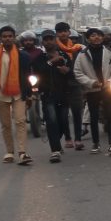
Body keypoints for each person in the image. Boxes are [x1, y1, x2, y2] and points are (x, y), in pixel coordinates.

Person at [0, 26, 33, 165]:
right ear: (0, 39)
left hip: (19, 94)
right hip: (0, 94)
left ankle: (22, 152)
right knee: (6, 125)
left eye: (10, 36)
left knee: (20, 121)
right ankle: (9, 152)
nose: (7, 39)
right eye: (4, 36)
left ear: (14, 37)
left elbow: (27, 76)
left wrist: (29, 95)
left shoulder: (23, 56)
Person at [74, 27, 111, 156]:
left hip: (107, 88)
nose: (97, 38)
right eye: (93, 35)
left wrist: (110, 81)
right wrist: (91, 82)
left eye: (99, 35)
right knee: (93, 117)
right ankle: (95, 143)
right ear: (88, 39)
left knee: (110, 116)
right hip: (92, 90)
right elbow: (78, 73)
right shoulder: (82, 55)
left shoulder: (110, 53)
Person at [31, 30, 72, 162]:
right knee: (51, 121)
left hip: (64, 94)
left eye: (51, 39)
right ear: (42, 42)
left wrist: (67, 71)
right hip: (48, 94)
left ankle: (57, 143)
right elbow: (38, 72)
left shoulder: (64, 55)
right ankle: (55, 150)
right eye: (46, 39)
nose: (49, 42)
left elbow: (72, 73)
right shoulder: (39, 58)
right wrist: (51, 62)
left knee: (63, 121)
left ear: (55, 40)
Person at [55, 22, 86, 150]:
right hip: (59, 85)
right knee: (63, 115)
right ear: (57, 33)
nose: (63, 33)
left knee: (77, 113)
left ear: (68, 32)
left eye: (65, 31)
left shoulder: (77, 48)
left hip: (75, 83)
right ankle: (67, 138)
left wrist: (70, 71)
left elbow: (82, 65)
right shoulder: (53, 48)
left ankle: (78, 139)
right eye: (60, 31)